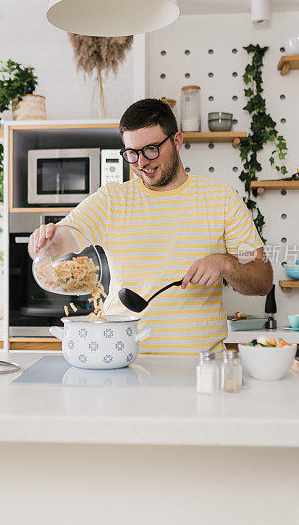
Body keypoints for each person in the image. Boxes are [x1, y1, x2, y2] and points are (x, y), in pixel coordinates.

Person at [28, 98, 273, 354]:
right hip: (122, 361)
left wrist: (225, 263)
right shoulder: (111, 200)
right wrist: (45, 241)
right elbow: (59, 243)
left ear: (177, 141)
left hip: (200, 367)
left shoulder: (221, 200)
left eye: (151, 149)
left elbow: (262, 278)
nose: (141, 162)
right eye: (131, 153)